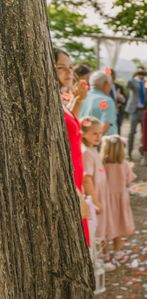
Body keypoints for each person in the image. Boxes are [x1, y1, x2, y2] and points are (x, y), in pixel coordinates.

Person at [55, 48, 90, 245]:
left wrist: (78, 99)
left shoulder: (59, 99)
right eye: (61, 68)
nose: (69, 73)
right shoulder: (48, 101)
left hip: (76, 176)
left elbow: (68, 126)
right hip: (67, 181)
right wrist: (75, 193)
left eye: (70, 68)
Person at [101, 135, 135, 266]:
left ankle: (105, 254)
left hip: (106, 200)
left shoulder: (102, 164)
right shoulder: (125, 165)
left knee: (105, 226)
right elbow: (128, 182)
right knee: (119, 225)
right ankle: (117, 252)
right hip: (120, 200)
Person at [81, 116, 109, 258]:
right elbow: (87, 179)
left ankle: (103, 256)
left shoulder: (92, 149)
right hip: (95, 194)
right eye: (94, 133)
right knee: (98, 228)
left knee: (103, 225)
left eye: (100, 133)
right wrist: (96, 201)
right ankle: (99, 258)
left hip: (101, 192)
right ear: (84, 134)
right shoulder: (86, 152)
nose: (99, 137)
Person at [125, 69, 147, 160]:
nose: (141, 75)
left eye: (143, 73)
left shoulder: (146, 83)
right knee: (132, 132)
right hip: (134, 110)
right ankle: (129, 153)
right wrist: (133, 76)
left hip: (143, 110)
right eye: (140, 73)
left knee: (144, 132)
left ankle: (142, 152)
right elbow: (128, 85)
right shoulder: (133, 82)